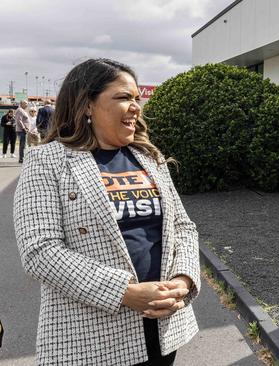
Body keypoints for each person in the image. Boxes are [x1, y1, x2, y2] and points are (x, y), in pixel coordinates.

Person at [14, 58, 201, 365]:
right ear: (87, 105)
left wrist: (182, 282)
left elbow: (183, 227)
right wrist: (126, 292)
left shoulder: (148, 157)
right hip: (90, 336)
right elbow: (40, 252)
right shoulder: (47, 161)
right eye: (123, 97)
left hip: (163, 328)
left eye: (136, 98)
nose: (135, 106)